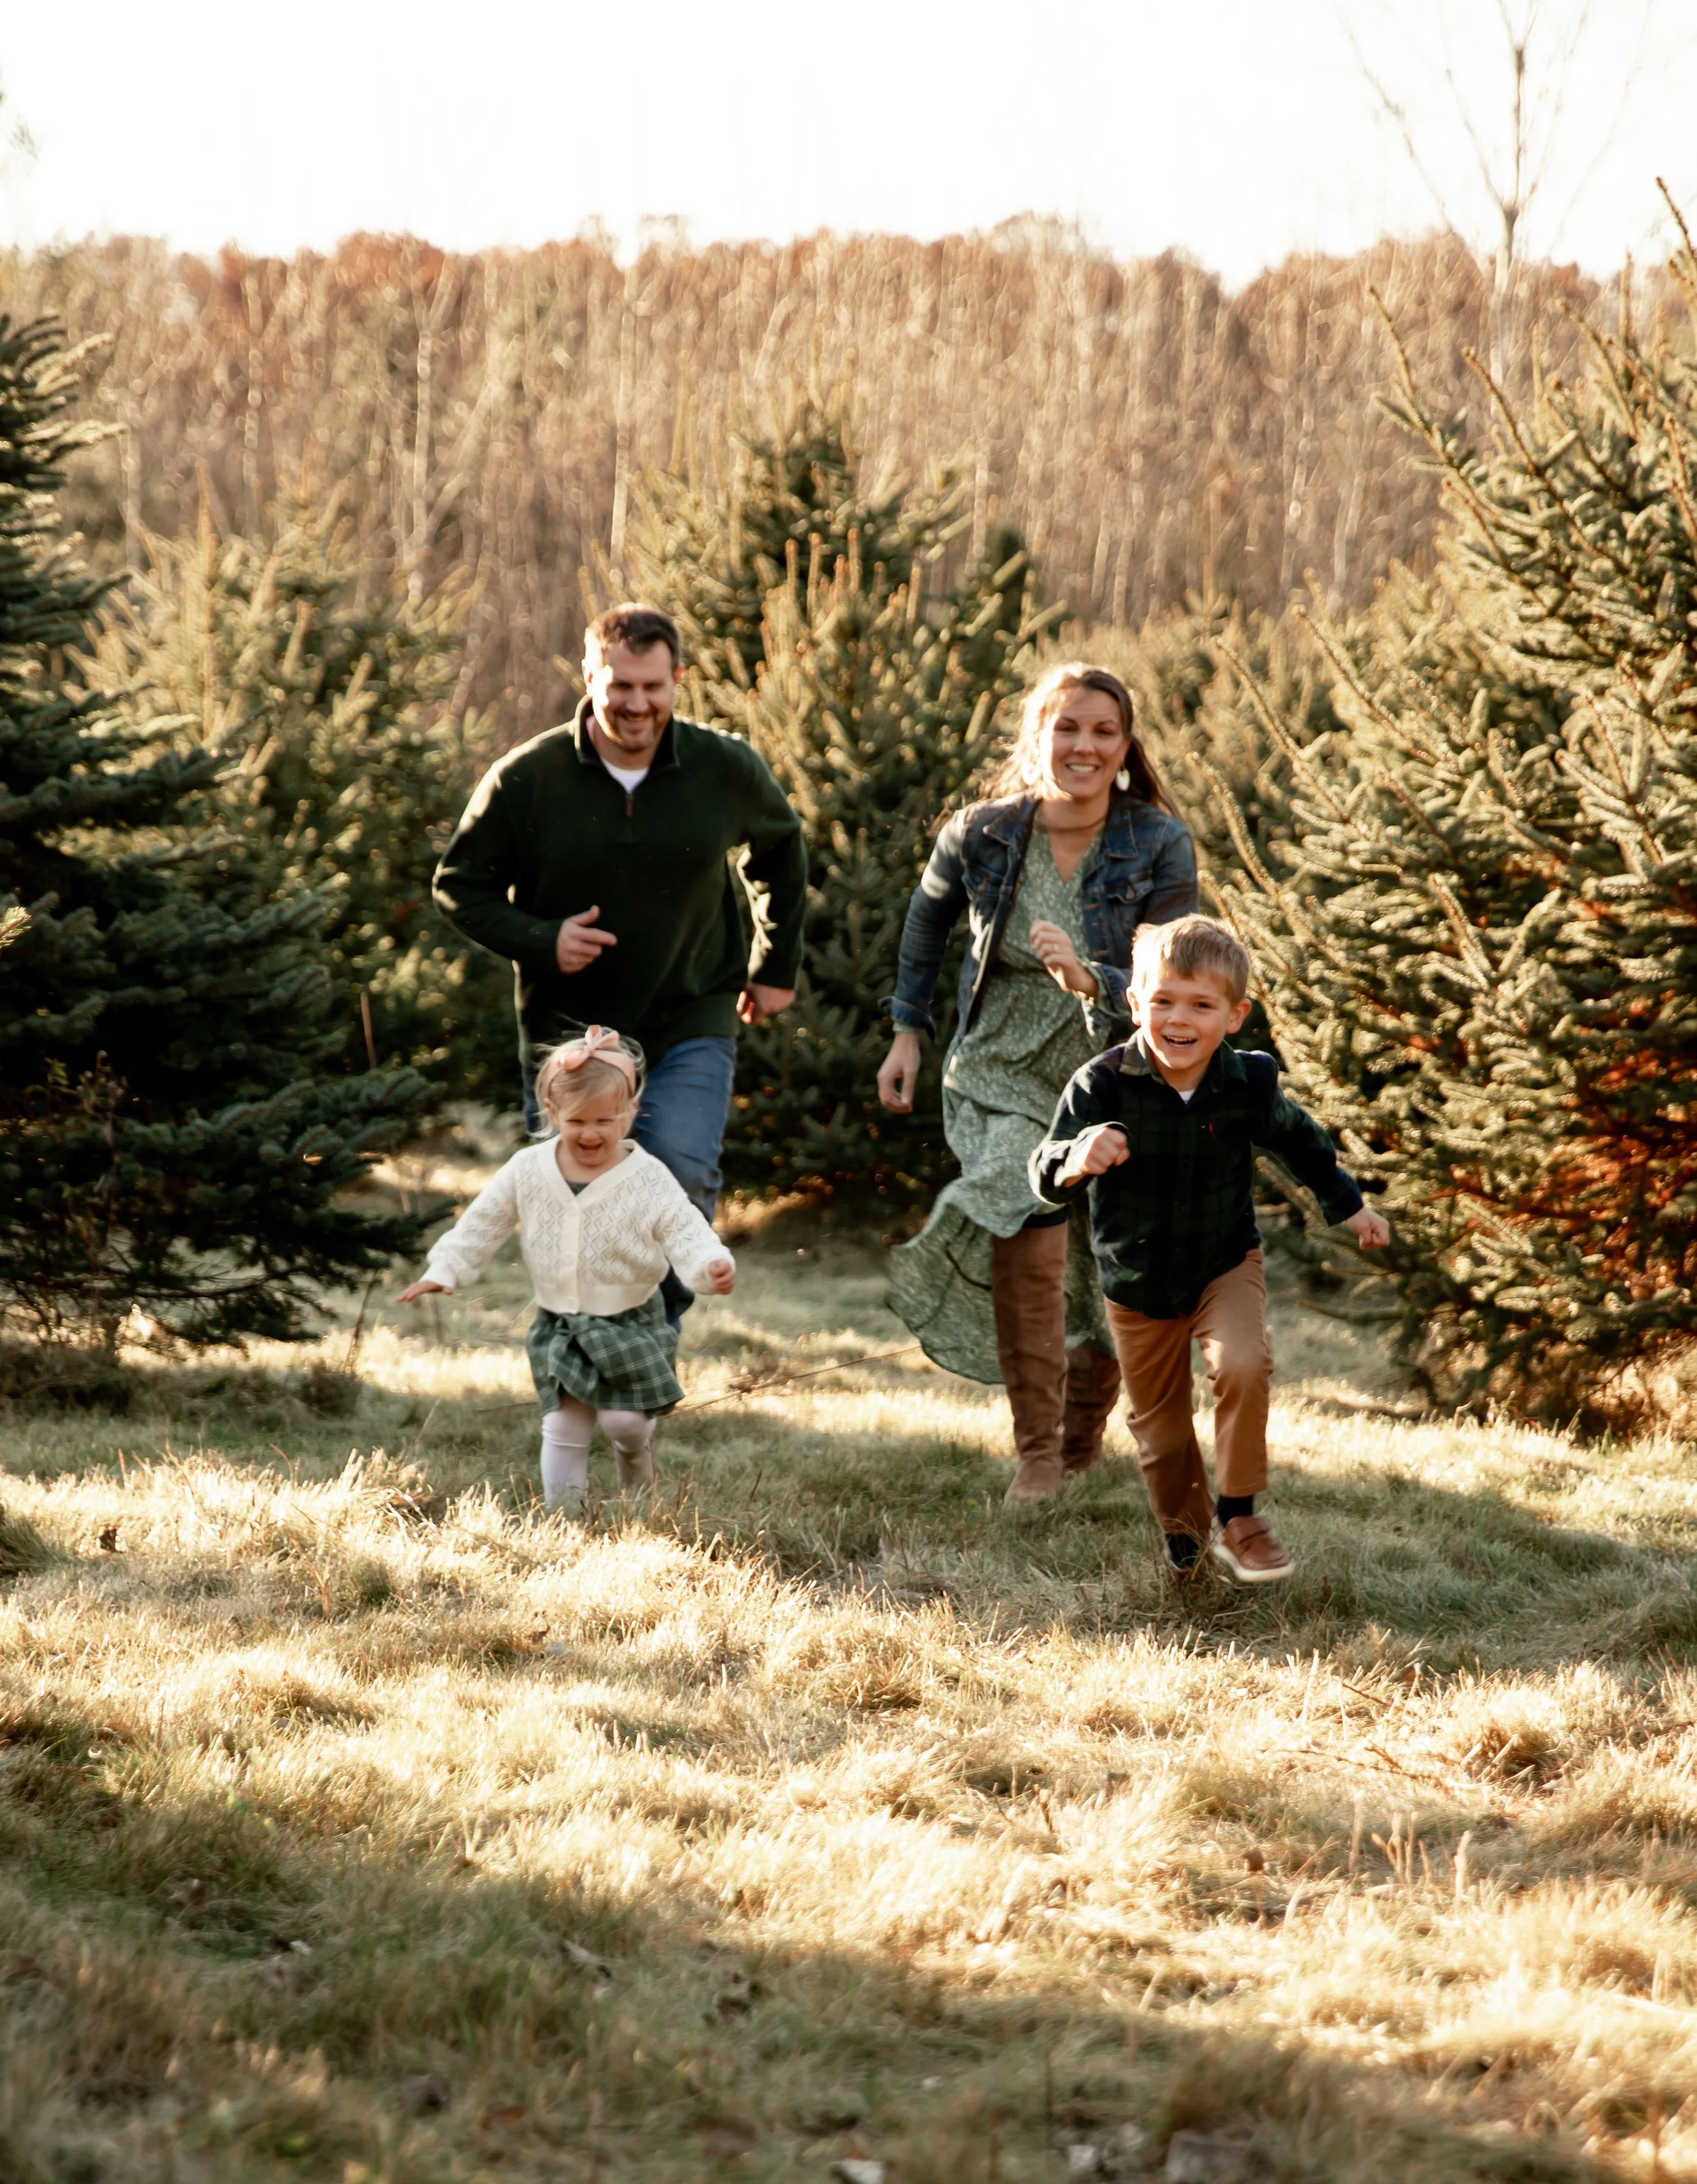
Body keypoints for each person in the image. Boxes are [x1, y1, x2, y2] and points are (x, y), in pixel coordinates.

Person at [432, 603, 807, 1322]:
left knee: (683, 1170)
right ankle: (581, 1356)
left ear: (676, 680)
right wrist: (543, 938)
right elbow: (459, 885)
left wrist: (775, 965)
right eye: (620, 685)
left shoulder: (722, 768)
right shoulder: (529, 777)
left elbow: (781, 850)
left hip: (690, 1010)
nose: (637, 704)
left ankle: (646, 1346)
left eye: (652, 686)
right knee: (574, 1193)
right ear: (590, 676)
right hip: (568, 1030)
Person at [878, 663, 1199, 1503]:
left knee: (1103, 1265)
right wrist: (906, 1032)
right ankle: (1036, 1455)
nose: (1083, 747)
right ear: (1036, 737)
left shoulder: (1158, 841)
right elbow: (926, 923)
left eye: (1102, 732)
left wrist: (1092, 977)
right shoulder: (982, 832)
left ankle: (1081, 1433)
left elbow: (1174, 970)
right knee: (1028, 1214)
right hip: (999, 1065)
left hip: (1108, 1064)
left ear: (1125, 747)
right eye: (1066, 729)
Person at [1029, 915, 1391, 1583]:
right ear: (1135, 1001)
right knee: (1162, 1432)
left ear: (1235, 1015)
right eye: (1162, 1000)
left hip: (1224, 1263)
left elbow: (1304, 1143)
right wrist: (1078, 1155)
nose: (1178, 1018)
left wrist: (1352, 1206)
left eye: (1201, 1004)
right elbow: (1044, 1169)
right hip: (1137, 1285)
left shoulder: (1247, 1084)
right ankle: (1187, 1544)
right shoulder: (1101, 1084)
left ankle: (1241, 1513)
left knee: (1245, 1364)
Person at [399, 1027, 734, 1510]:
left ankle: (637, 1476)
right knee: (562, 1424)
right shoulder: (528, 1169)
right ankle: (564, 1521)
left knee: (625, 1423)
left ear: (631, 1113)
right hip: (561, 1324)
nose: (592, 1133)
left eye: (607, 1119)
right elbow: (484, 1221)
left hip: (630, 1321)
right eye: (578, 1121)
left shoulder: (647, 1177)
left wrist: (710, 1266)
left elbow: (685, 1229)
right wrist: (446, 1269)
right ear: (552, 1114)